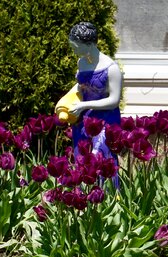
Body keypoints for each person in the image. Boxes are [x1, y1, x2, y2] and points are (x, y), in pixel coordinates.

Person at [65, 21, 122, 187]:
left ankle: (109, 197)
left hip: (105, 121)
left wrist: (84, 106)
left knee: (101, 157)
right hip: (84, 120)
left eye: (75, 45)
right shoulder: (81, 63)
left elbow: (114, 100)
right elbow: (82, 86)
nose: (73, 49)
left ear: (88, 44)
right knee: (82, 157)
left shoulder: (111, 68)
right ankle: (84, 197)